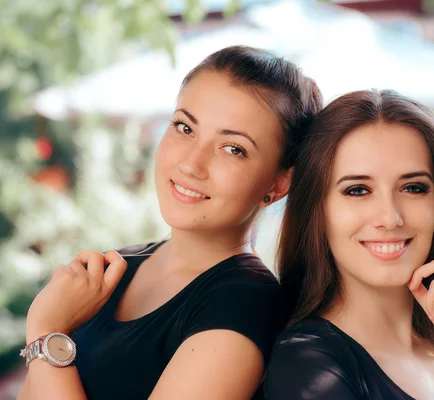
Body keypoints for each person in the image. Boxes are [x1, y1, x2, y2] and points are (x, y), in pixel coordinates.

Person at [18, 45, 323, 400]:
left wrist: (46, 332)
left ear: (278, 183)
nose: (192, 164)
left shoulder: (245, 305)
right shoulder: (110, 270)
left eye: (233, 149)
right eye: (184, 127)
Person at [265, 90, 434, 400]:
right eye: (357, 190)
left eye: (413, 187)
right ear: (317, 210)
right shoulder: (308, 368)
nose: (389, 218)